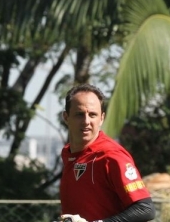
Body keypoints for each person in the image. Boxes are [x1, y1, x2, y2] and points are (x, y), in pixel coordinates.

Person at [58, 83, 156, 222]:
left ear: (102, 118)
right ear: (66, 117)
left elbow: (145, 209)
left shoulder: (112, 155)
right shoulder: (68, 154)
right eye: (79, 114)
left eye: (92, 115)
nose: (86, 121)